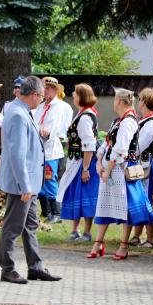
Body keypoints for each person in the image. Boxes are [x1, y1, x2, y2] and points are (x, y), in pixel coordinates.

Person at [0, 76, 62, 284]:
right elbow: (18, 155)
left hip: (29, 182)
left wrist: (41, 137)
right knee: (13, 227)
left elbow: (27, 143)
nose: (42, 100)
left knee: (30, 225)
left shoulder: (23, 111)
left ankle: (35, 267)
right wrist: (25, 186)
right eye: (41, 96)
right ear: (34, 94)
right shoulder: (18, 114)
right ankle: (8, 269)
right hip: (22, 183)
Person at [90, 88, 153, 260]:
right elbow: (107, 143)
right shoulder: (118, 121)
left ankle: (124, 245)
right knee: (104, 204)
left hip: (124, 169)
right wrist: (98, 162)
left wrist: (107, 169)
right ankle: (98, 243)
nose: (113, 102)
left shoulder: (129, 121)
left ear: (119, 101)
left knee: (126, 208)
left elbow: (121, 149)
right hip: (111, 168)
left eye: (114, 99)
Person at [59, 83, 99, 242]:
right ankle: (75, 230)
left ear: (82, 96)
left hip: (83, 162)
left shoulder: (85, 118)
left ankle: (87, 232)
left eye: (75, 93)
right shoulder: (82, 114)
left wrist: (86, 169)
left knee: (86, 196)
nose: (73, 95)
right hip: (77, 161)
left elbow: (89, 145)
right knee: (77, 195)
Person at [33, 77, 73, 223]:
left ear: (56, 90)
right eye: (44, 88)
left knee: (49, 178)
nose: (45, 91)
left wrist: (48, 133)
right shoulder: (40, 106)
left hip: (51, 148)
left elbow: (61, 128)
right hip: (38, 148)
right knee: (40, 180)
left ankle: (56, 213)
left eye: (49, 88)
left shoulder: (62, 107)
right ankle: (46, 211)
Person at [130, 88, 153, 249]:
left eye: (140, 99)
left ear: (144, 102)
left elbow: (139, 146)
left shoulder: (152, 122)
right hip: (141, 164)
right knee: (139, 198)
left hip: (147, 166)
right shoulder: (145, 120)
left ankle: (150, 239)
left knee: (148, 199)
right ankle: (136, 236)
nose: (139, 102)